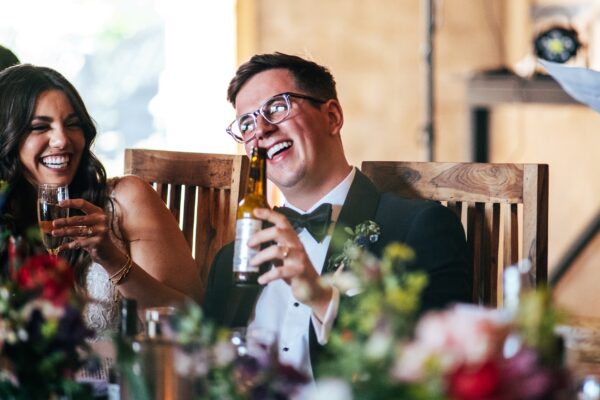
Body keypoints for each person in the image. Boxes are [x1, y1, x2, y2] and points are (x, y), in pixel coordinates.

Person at [203, 52, 472, 382]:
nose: (260, 130)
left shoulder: (420, 228)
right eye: (246, 123)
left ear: (331, 116)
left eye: (276, 107)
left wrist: (322, 297)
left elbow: (436, 369)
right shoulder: (231, 260)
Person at [0, 64, 203, 342]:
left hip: (128, 381)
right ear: (8, 139)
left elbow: (193, 324)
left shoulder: (126, 200)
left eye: (72, 124)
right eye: (40, 127)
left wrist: (111, 258)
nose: (62, 139)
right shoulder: (7, 217)